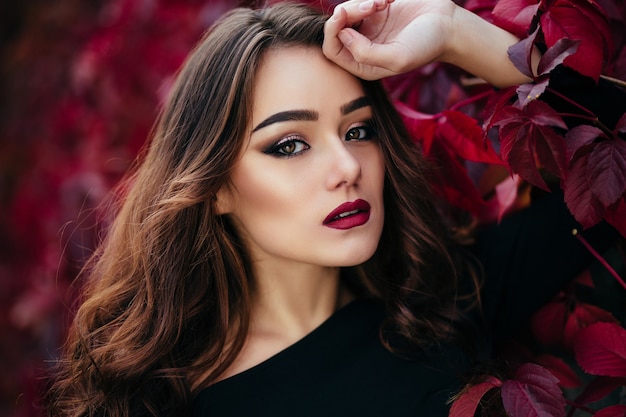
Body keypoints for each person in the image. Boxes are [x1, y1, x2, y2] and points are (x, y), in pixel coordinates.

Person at [44, 0, 615, 416]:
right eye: (289, 144)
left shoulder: (447, 301)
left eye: (358, 129)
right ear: (212, 185)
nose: (347, 168)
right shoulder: (151, 404)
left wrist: (454, 31)